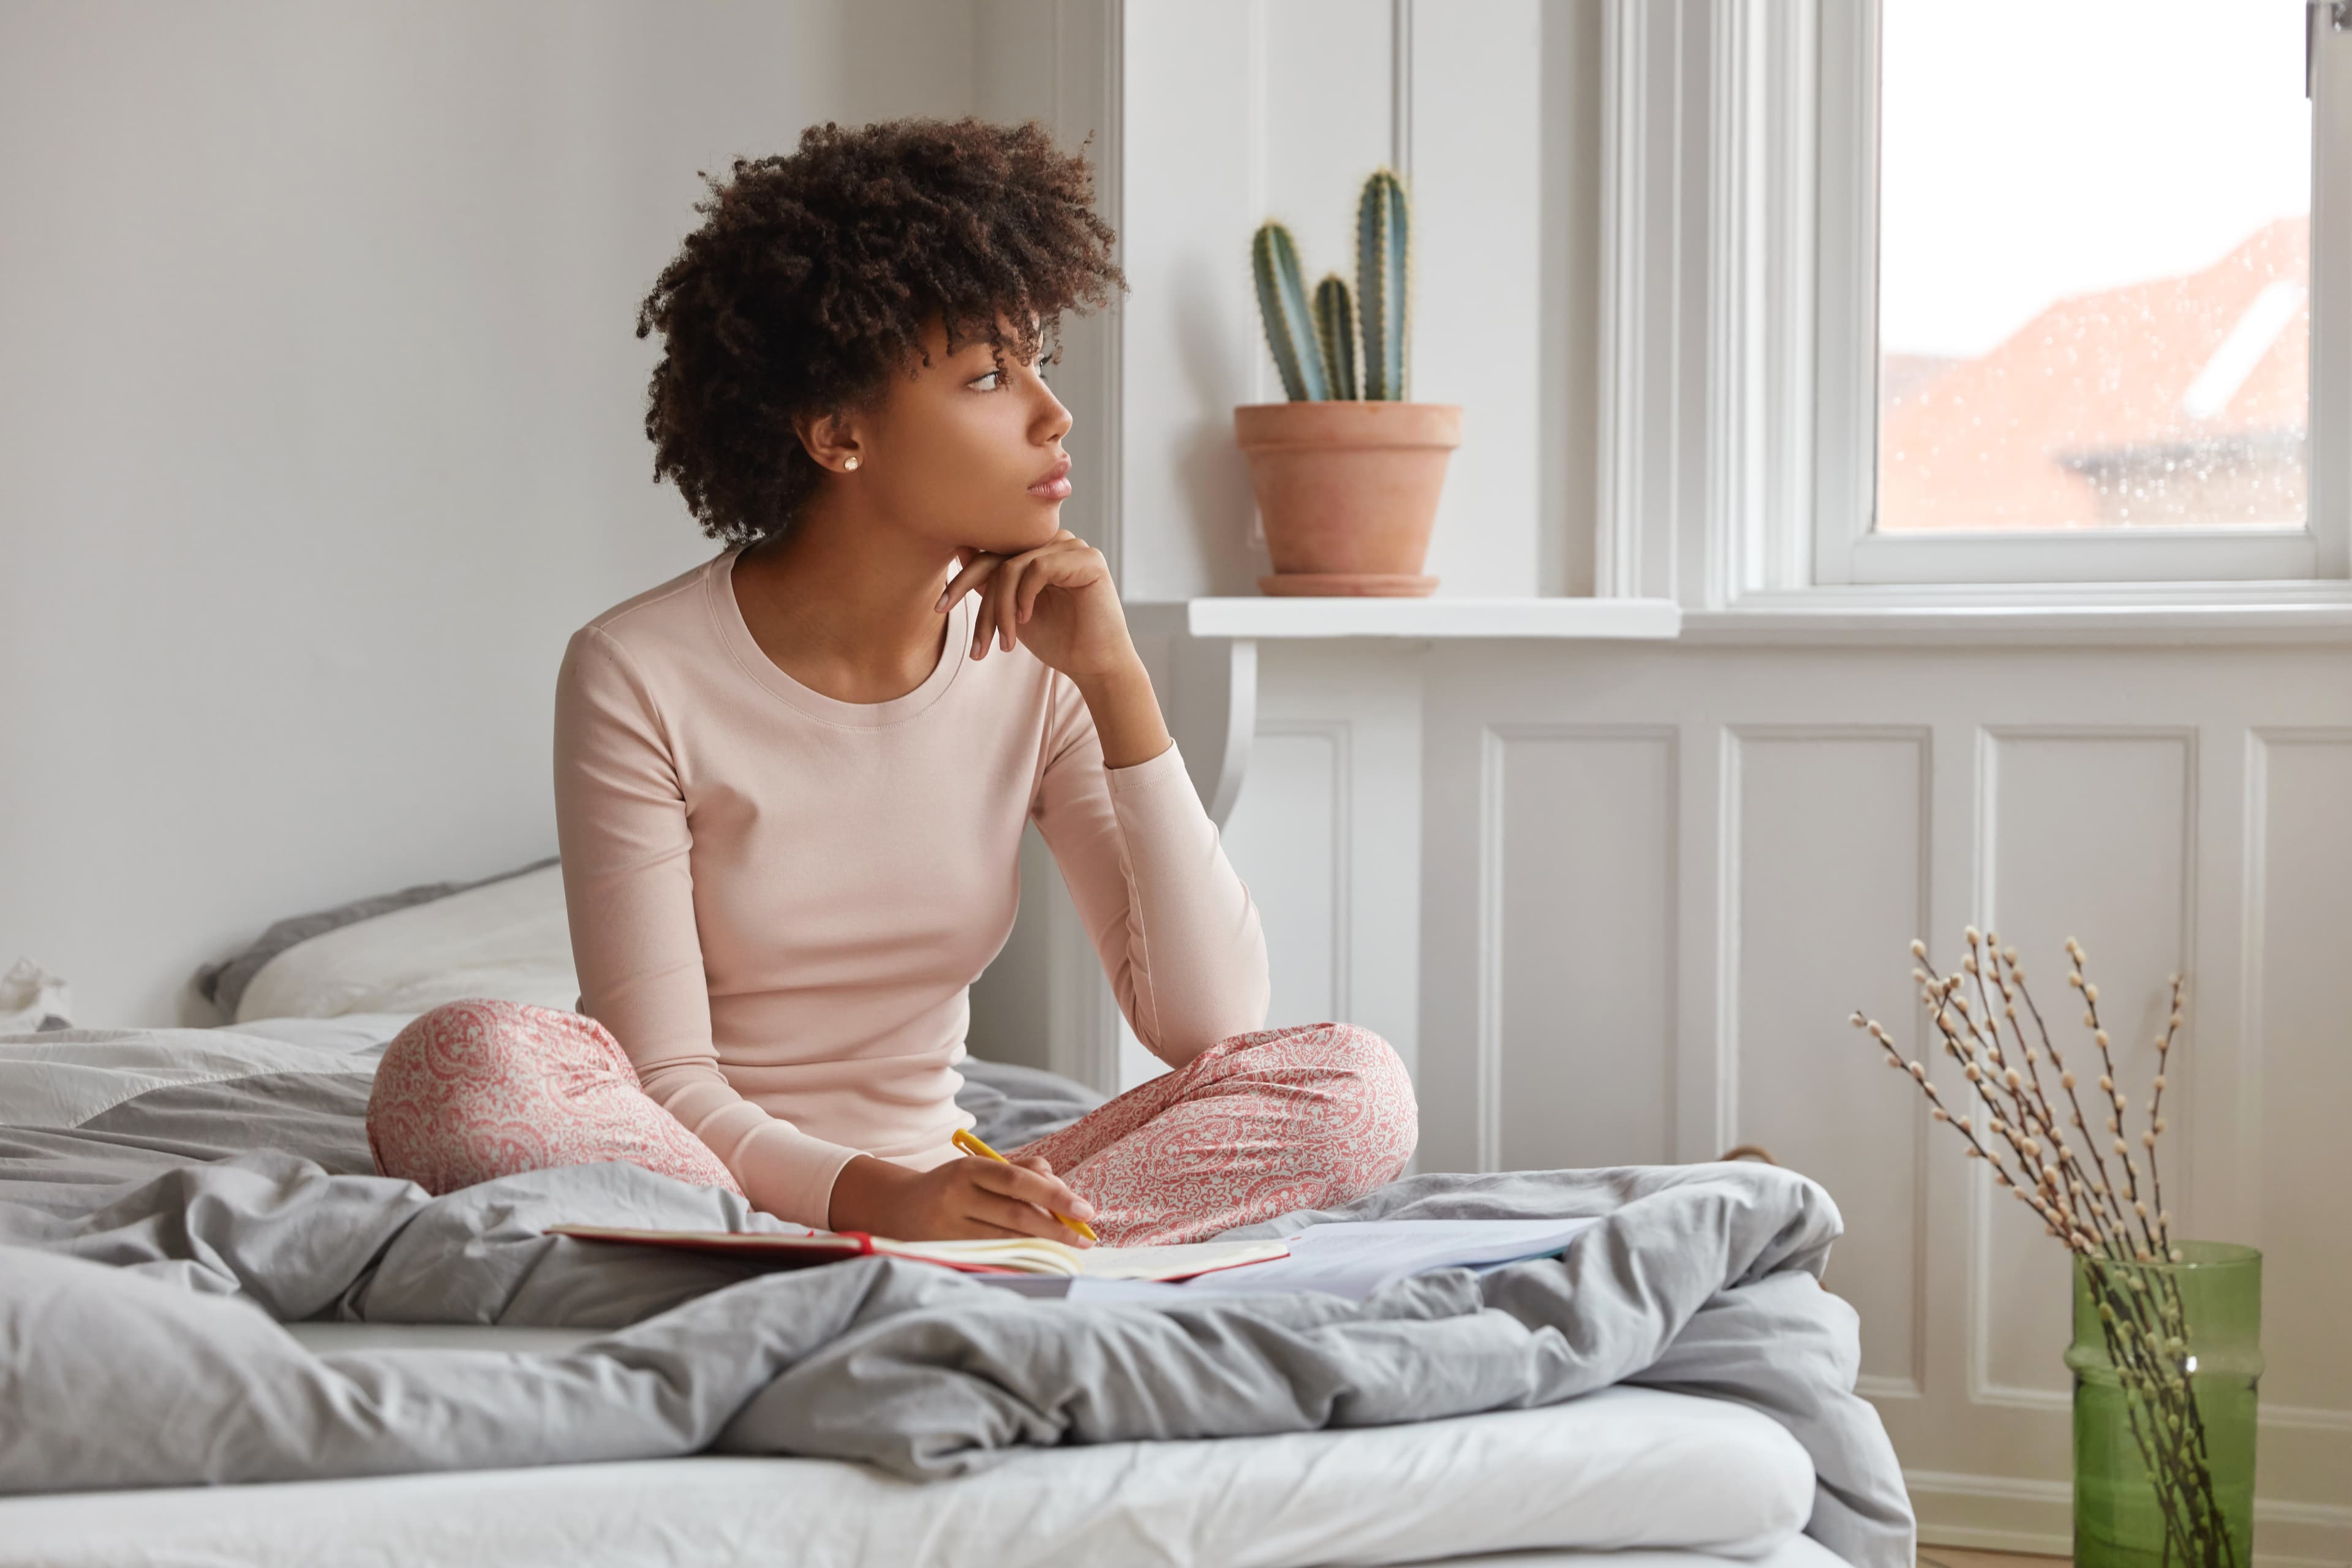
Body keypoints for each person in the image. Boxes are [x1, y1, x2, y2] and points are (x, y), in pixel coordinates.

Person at [365, 117, 1417, 1247]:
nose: (1052, 415)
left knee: (1357, 1087)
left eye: (1039, 365)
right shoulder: (639, 671)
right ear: (837, 433)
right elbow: (664, 1074)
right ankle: (886, 1243)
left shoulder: (1045, 664)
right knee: (464, 1063)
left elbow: (1207, 1023)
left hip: (950, 1182)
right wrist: (877, 1198)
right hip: (700, 1163)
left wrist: (1117, 685)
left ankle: (1020, 1229)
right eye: (988, 376)